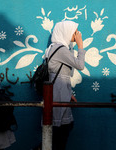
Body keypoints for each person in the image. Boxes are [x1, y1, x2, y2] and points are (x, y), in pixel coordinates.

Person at [45, 20, 86, 150]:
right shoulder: (60, 50)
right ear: (66, 32)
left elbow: (63, 73)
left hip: (60, 91)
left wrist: (69, 94)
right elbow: (80, 65)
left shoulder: (54, 48)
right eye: (74, 31)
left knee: (61, 130)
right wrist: (80, 45)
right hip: (58, 93)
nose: (77, 33)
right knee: (61, 131)